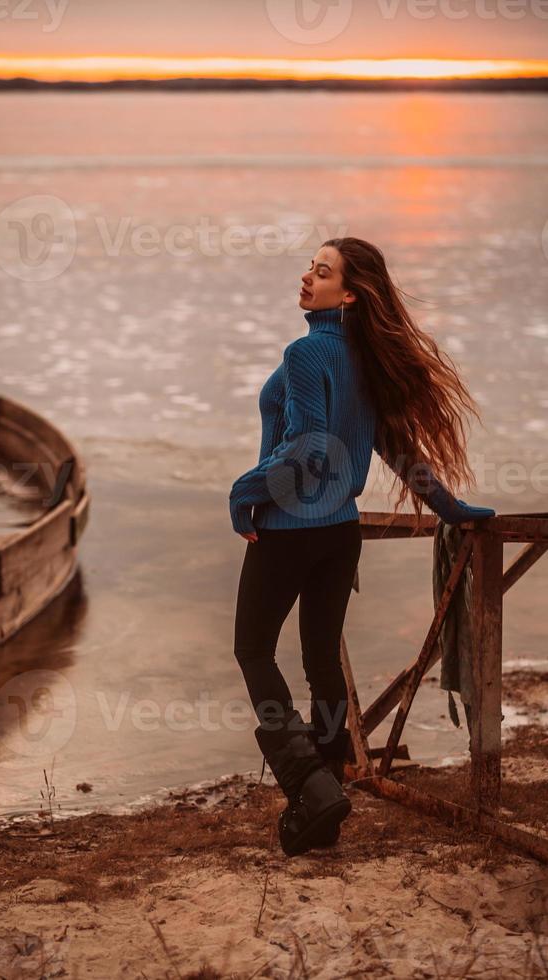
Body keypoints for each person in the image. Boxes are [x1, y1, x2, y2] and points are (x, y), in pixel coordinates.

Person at [228, 237, 495, 857]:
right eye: (310, 267)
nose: (307, 277)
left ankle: (307, 784)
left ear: (348, 292)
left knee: (252, 651)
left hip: (288, 528)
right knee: (321, 659)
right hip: (339, 534)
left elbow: (312, 443)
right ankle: (326, 791)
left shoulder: (305, 353)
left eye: (321, 272)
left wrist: (244, 494)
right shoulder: (365, 357)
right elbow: (398, 449)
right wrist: (455, 512)